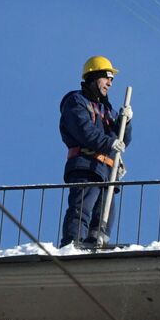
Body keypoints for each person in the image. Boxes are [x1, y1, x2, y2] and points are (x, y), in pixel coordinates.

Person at [59, 55, 134, 246]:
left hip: (107, 171)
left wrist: (126, 121)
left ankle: (96, 245)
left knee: (104, 217)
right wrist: (109, 144)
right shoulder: (76, 101)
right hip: (87, 165)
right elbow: (85, 131)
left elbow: (123, 140)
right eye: (107, 77)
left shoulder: (107, 111)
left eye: (112, 79)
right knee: (82, 208)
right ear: (93, 77)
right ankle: (73, 244)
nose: (110, 83)